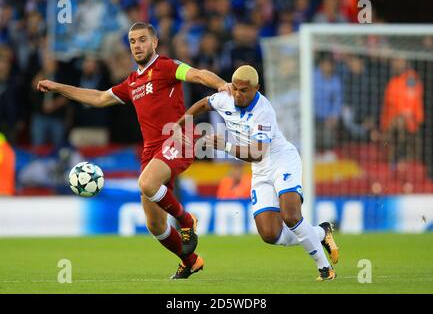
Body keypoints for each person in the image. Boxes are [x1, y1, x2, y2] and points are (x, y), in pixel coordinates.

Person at [37, 22, 230, 279]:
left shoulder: (166, 66)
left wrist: (220, 84)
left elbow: (196, 73)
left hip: (178, 136)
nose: (137, 45)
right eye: (132, 41)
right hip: (152, 150)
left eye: (142, 40)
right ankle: (191, 261)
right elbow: (98, 98)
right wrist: (59, 87)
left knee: (146, 184)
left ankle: (186, 220)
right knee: (155, 225)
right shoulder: (132, 82)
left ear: (154, 43)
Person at [174, 65, 339, 281]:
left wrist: (225, 146)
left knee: (290, 217)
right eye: (235, 88)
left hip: (281, 161)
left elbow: (258, 153)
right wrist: (181, 123)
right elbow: (204, 104)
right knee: (270, 234)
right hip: (260, 170)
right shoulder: (224, 97)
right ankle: (320, 232)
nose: (237, 94)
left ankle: (325, 269)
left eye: (244, 90)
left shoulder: (264, 111)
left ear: (256, 88)